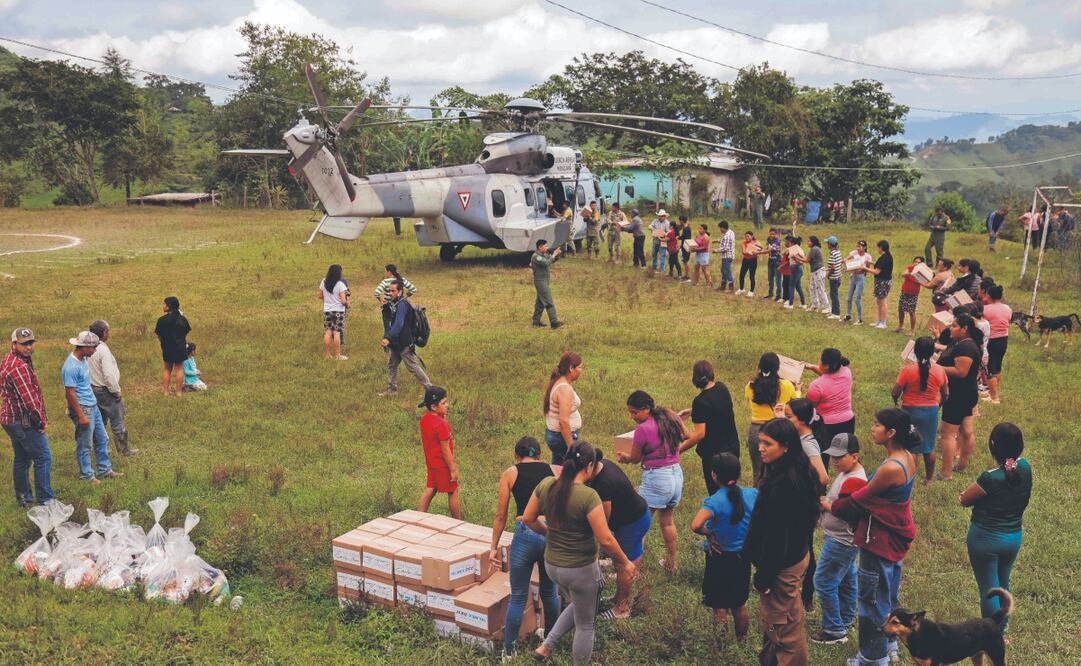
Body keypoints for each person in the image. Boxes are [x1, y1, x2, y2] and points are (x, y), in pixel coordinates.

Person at [523, 442, 635, 665]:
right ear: (590, 466)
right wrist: (625, 563)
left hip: (553, 565)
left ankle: (546, 646)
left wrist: (548, 532)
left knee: (580, 603)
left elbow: (527, 518)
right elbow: (605, 538)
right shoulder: (588, 496)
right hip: (580, 570)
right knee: (586, 624)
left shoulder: (546, 484)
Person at [830, 408, 920, 666]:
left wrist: (831, 505)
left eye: (877, 424)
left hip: (879, 540)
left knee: (871, 601)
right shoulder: (908, 456)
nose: (872, 428)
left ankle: (872, 658)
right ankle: (890, 643)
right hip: (894, 536)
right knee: (887, 594)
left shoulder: (890, 467)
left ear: (891, 433)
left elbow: (860, 500)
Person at [745, 418, 821, 666]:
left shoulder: (784, 485)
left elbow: (777, 538)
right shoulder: (796, 470)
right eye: (760, 442)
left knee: (783, 628)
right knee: (783, 618)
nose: (760, 448)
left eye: (768, 443)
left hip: (781, 565)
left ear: (786, 446)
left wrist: (764, 576)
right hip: (794, 556)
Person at [959, 423, 1031, 635]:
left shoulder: (990, 477)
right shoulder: (1025, 467)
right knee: (1003, 582)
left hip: (985, 540)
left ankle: (993, 635)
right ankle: (1003, 629)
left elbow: (965, 499)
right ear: (1021, 446)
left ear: (993, 445)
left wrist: (961, 496)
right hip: (1013, 537)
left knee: (989, 589)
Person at [491, 436, 560, 653]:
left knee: (519, 595)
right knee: (550, 591)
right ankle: (549, 642)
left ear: (516, 456)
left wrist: (494, 546)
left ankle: (509, 651)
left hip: (525, 532)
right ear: (540, 455)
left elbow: (500, 515)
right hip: (550, 533)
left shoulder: (510, 473)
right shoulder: (554, 471)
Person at [690, 452, 757, 639]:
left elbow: (695, 525)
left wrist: (709, 533)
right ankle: (742, 642)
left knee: (719, 606)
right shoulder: (752, 494)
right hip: (742, 557)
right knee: (739, 604)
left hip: (718, 557)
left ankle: (721, 648)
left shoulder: (714, 501)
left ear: (714, 475)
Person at [620, 390, 687, 573]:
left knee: (638, 522)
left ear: (647, 409)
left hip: (657, 479)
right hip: (675, 475)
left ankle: (632, 568)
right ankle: (671, 563)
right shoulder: (669, 417)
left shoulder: (643, 429)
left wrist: (625, 458)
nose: (632, 416)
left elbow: (634, 458)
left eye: (635, 412)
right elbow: (687, 435)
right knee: (667, 521)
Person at [812, 433, 867, 645]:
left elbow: (849, 511)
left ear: (854, 456)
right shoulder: (849, 473)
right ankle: (845, 618)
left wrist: (827, 505)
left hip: (840, 540)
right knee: (846, 579)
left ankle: (834, 630)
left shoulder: (854, 480)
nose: (834, 461)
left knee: (824, 582)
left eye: (839, 457)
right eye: (832, 457)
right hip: (844, 540)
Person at [586, 449, 650, 619]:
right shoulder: (605, 465)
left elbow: (603, 523)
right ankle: (619, 598)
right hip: (639, 515)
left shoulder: (603, 485)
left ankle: (622, 608)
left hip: (632, 523)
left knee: (623, 566)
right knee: (629, 561)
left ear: (589, 466)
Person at [1, 328, 54, 506]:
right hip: (23, 421)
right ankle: (46, 501)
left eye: (31, 342)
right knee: (43, 457)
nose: (29, 347)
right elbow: (29, 400)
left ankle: (24, 498)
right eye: (24, 344)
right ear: (14, 344)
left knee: (22, 458)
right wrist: (40, 421)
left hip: (10, 417)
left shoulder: (10, 359)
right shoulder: (19, 367)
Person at [62, 331, 121, 484]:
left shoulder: (84, 360)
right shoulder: (70, 367)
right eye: (93, 347)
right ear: (83, 347)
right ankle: (87, 475)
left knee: (102, 438)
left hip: (92, 405)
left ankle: (104, 469)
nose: (95, 350)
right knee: (85, 443)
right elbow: (70, 394)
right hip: (83, 408)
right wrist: (81, 415)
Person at [678, 360, 740, 495]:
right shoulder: (722, 388)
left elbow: (700, 434)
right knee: (731, 491)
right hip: (733, 450)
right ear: (712, 373)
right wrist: (693, 411)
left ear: (694, 378)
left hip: (715, 456)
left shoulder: (700, 401)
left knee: (717, 494)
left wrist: (678, 450)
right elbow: (716, 408)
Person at [892, 336, 947, 483]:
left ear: (915, 351)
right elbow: (946, 393)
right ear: (932, 352)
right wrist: (938, 405)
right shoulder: (940, 370)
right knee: (928, 447)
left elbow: (895, 391)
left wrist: (896, 402)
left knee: (911, 447)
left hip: (910, 412)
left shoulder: (907, 370)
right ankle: (929, 479)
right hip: (930, 412)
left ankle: (910, 478)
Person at [936, 312, 983, 481]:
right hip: (968, 394)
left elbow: (961, 372)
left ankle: (946, 473)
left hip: (958, 395)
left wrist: (936, 368)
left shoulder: (966, 347)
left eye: (954, 325)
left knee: (947, 434)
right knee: (967, 430)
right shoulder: (962, 343)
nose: (951, 328)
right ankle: (961, 465)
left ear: (964, 329)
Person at [744, 353, 799, 483]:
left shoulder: (750, 386)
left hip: (755, 430)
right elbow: (795, 401)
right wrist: (798, 390)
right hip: (777, 429)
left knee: (758, 471)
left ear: (759, 367)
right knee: (779, 471)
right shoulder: (786, 386)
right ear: (778, 368)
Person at [86, 320, 136, 456]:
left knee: (99, 420)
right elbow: (108, 374)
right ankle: (123, 450)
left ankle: (101, 449)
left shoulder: (87, 347)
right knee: (117, 419)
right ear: (103, 333)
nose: (109, 334)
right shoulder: (102, 350)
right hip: (106, 390)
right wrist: (115, 390)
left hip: (92, 389)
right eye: (108, 331)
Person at [379, 280, 432, 397]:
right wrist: (385, 309)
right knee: (392, 365)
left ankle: (430, 390)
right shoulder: (394, 303)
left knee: (412, 367)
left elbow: (399, 323)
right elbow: (388, 321)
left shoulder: (402, 304)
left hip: (404, 343)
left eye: (393, 291)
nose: (390, 293)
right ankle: (392, 390)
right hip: (396, 342)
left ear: (400, 292)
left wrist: (387, 337)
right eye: (389, 290)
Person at [417, 386, 461, 519]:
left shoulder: (425, 419)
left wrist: (443, 416)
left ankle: (417, 517)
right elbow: (445, 449)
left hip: (431, 462)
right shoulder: (441, 425)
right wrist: (453, 469)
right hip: (443, 464)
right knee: (452, 491)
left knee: (431, 488)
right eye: (443, 403)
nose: (447, 405)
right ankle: (457, 521)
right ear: (434, 406)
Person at [805, 348, 855, 448]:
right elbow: (829, 375)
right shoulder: (846, 372)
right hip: (848, 422)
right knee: (846, 455)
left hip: (825, 426)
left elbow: (809, 408)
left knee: (823, 457)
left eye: (819, 360)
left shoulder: (816, 386)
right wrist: (812, 367)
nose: (818, 361)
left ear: (827, 366)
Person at [543, 352, 583, 465]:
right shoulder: (564, 389)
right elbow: (563, 420)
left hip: (556, 435)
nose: (581, 371)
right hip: (562, 437)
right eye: (580, 367)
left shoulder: (559, 382)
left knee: (558, 468)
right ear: (571, 368)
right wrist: (571, 447)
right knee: (571, 470)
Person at [154, 296, 191, 396]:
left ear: (169, 306)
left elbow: (158, 334)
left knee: (167, 368)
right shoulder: (182, 319)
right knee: (179, 368)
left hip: (167, 346)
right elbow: (186, 331)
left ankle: (166, 392)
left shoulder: (162, 320)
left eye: (164, 304)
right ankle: (178, 392)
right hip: (180, 346)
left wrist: (163, 341)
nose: (163, 305)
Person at [982, 285, 1012, 405]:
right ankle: (992, 391)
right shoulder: (1007, 308)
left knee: (989, 368)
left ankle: (994, 397)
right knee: (997, 367)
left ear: (989, 295)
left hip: (991, 340)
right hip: (1003, 339)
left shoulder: (986, 309)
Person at [318, 264, 349, 360]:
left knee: (328, 332)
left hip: (327, 310)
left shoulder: (324, 282)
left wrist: (328, 299)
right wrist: (348, 303)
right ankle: (338, 355)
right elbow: (343, 301)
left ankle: (327, 355)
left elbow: (320, 296)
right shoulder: (341, 284)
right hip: (339, 311)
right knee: (336, 333)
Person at [531, 239, 564, 329]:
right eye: (545, 246)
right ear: (540, 247)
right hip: (540, 281)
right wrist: (553, 255)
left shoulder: (543, 255)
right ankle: (554, 322)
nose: (547, 247)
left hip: (544, 281)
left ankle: (536, 322)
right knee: (549, 301)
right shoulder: (536, 257)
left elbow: (550, 260)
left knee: (540, 302)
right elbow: (546, 263)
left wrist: (557, 254)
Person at [845, 241, 873, 325]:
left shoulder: (867, 256)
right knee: (848, 298)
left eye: (860, 246)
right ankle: (848, 315)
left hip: (860, 278)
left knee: (857, 299)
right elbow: (847, 259)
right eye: (857, 246)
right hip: (853, 276)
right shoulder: (854, 253)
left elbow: (868, 268)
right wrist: (846, 261)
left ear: (864, 247)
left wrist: (862, 269)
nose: (858, 248)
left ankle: (860, 319)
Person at [895, 257, 925, 335]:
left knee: (911, 311)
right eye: (915, 261)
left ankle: (912, 330)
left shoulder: (923, 272)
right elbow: (903, 274)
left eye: (918, 262)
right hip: (905, 291)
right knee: (901, 309)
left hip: (913, 293)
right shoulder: (910, 268)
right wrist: (911, 273)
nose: (916, 263)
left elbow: (924, 282)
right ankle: (900, 326)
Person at [868, 240, 893, 329]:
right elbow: (879, 265)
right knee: (879, 301)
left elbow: (877, 271)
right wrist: (871, 263)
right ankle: (879, 320)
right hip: (880, 281)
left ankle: (883, 322)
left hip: (883, 281)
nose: (877, 249)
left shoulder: (885, 257)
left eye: (878, 247)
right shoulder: (885, 257)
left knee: (882, 302)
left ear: (881, 247)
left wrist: (864, 268)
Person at [737, 230, 763, 297]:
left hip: (753, 260)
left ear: (752, 236)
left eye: (748, 236)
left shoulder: (756, 242)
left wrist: (756, 247)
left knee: (752, 276)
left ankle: (751, 291)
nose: (747, 238)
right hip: (745, 260)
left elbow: (761, 249)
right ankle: (741, 289)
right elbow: (743, 251)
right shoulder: (744, 242)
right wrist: (747, 252)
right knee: (741, 275)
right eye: (746, 236)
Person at [806, 235, 828, 313]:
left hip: (818, 271)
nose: (807, 242)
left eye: (809, 241)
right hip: (814, 271)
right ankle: (815, 305)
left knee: (820, 289)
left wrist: (796, 257)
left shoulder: (814, 249)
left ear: (813, 242)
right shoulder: (813, 249)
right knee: (812, 288)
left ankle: (827, 307)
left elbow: (806, 260)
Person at [786, 235, 807, 309]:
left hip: (795, 268)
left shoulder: (792, 248)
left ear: (792, 243)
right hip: (799, 268)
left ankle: (790, 304)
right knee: (798, 286)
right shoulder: (799, 248)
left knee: (791, 286)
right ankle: (803, 303)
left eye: (789, 242)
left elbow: (793, 257)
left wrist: (799, 262)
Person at [716, 220, 736, 293]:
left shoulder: (727, 236)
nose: (720, 230)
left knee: (727, 271)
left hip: (727, 256)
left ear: (723, 228)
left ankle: (731, 288)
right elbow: (725, 241)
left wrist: (716, 250)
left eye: (720, 228)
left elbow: (725, 248)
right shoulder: (730, 232)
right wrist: (718, 241)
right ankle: (723, 286)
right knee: (723, 270)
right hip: (729, 255)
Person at [826, 236, 843, 319]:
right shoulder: (838, 252)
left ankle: (836, 313)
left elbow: (833, 267)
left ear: (830, 244)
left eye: (827, 243)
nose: (827, 245)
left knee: (834, 295)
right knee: (833, 294)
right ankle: (833, 312)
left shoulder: (832, 253)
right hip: (838, 276)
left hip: (834, 278)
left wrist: (828, 274)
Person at [763, 227, 783, 301]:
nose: (771, 235)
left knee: (778, 280)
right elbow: (767, 248)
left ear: (776, 234)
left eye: (773, 234)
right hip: (770, 261)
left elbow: (770, 249)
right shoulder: (768, 239)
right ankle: (770, 294)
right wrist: (761, 249)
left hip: (777, 262)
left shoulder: (778, 240)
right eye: (770, 233)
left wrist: (759, 252)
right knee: (770, 279)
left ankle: (778, 296)